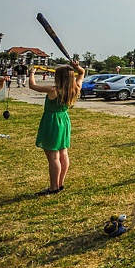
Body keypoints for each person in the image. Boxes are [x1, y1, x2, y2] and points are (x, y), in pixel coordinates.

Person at [28, 61, 84, 195]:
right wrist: (77, 67)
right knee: (63, 154)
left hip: (52, 121)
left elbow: (32, 85)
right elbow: (82, 73)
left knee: (53, 157)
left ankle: (53, 187)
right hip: (64, 120)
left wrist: (31, 73)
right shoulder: (75, 87)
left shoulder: (53, 90)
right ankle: (60, 183)